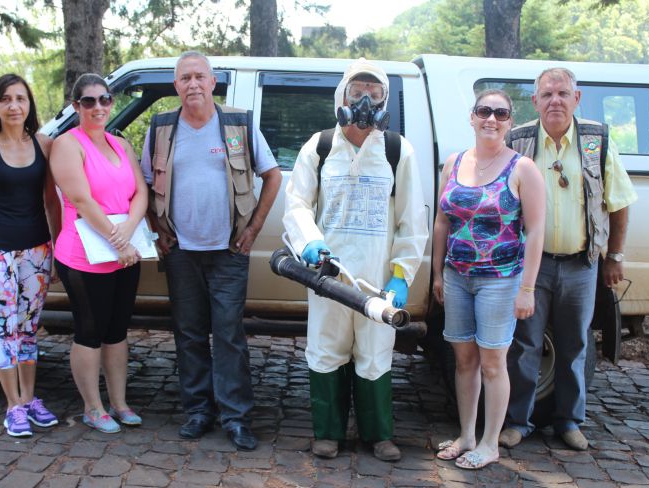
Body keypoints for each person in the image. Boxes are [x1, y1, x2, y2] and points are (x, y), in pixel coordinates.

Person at [282, 58, 428, 462]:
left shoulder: (397, 150)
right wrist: (309, 241)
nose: (365, 101)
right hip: (328, 275)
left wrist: (401, 275)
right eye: (358, 92)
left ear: (384, 99)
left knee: (375, 351)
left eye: (374, 93)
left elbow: (412, 219)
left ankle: (378, 435)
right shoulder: (319, 146)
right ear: (342, 97)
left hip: (377, 279)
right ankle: (327, 433)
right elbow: (297, 203)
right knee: (326, 347)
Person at [142, 51, 282, 451]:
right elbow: (144, 183)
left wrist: (253, 229)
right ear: (176, 86)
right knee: (188, 334)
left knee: (228, 335)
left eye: (199, 77)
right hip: (181, 251)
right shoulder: (162, 128)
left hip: (229, 251)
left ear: (212, 82)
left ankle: (236, 418)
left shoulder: (238, 124)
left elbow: (272, 176)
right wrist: (157, 229)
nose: (193, 84)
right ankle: (198, 412)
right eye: (185, 78)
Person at [499, 68, 637, 451]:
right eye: (547, 94)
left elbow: (619, 203)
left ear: (577, 98)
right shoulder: (518, 141)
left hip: (581, 264)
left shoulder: (596, 141)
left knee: (575, 344)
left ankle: (569, 421)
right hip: (532, 266)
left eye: (562, 93)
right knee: (524, 344)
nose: (555, 101)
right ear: (535, 101)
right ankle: (517, 422)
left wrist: (615, 256)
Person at [432, 90, 545, 469]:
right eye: (484, 111)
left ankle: (490, 443)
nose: (491, 119)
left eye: (500, 113)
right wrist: (437, 273)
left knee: (493, 363)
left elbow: (536, 230)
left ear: (510, 121)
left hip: (500, 280)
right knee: (464, 361)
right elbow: (442, 221)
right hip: (457, 277)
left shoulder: (522, 168)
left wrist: (527, 288)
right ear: (472, 117)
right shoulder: (454, 162)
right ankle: (466, 435)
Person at [49, 73, 148, 434]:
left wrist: (128, 232)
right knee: (90, 331)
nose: (98, 107)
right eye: (89, 101)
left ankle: (119, 403)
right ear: (76, 106)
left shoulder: (120, 144)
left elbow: (140, 192)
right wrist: (120, 242)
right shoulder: (67, 145)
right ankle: (93, 407)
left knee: (117, 331)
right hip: (85, 256)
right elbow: (81, 200)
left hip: (124, 253)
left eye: (104, 99)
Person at [0, 74, 62, 437]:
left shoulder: (44, 145)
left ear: (29, 104)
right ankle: (13, 406)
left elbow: (51, 201)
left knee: (29, 328)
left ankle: (30, 398)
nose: (14, 106)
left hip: (37, 251)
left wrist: (57, 249)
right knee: (6, 328)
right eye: (6, 99)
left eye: (20, 98)